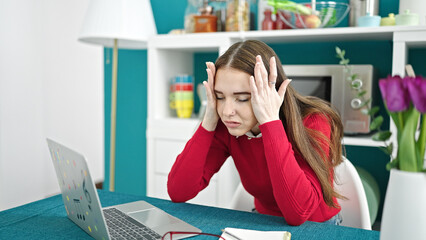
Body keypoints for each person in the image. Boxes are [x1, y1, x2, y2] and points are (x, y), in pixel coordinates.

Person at [167, 40, 344, 226]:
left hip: (317, 226)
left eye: (242, 99)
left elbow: (298, 214)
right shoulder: (228, 125)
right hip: (262, 221)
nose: (227, 111)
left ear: (269, 92)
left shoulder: (314, 121)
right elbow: (179, 192)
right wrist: (209, 120)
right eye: (220, 97)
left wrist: (270, 123)